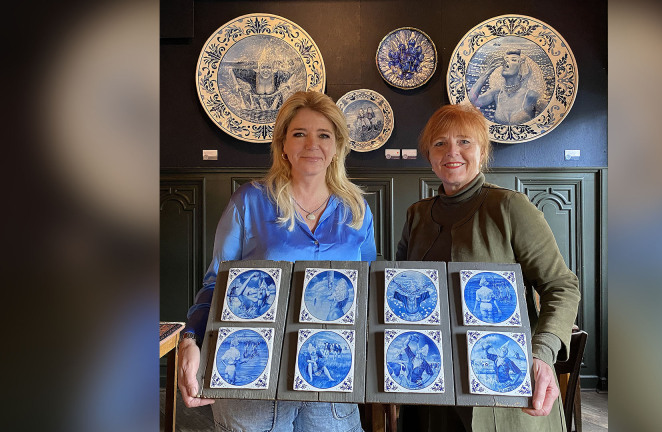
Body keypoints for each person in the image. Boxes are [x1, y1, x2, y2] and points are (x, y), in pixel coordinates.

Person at [177, 91, 376, 432]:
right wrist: (190, 339)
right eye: (299, 133)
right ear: (283, 144)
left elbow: (367, 289)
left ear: (338, 146)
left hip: (329, 375)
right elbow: (216, 284)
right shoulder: (249, 201)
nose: (312, 144)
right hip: (252, 373)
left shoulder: (356, 210)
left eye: (323, 135)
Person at [396, 102, 580, 432]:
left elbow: (561, 286)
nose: (452, 151)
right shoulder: (417, 215)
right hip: (429, 387)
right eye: (440, 143)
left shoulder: (509, 207)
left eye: (464, 141)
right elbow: (400, 292)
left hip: (501, 384)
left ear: (482, 151)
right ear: (429, 154)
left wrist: (542, 354)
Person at [467, 49, 542, 125]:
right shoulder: (497, 93)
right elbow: (473, 101)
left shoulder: (531, 95)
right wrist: (485, 74)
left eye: (513, 60)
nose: (506, 62)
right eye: (505, 60)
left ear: (521, 67)